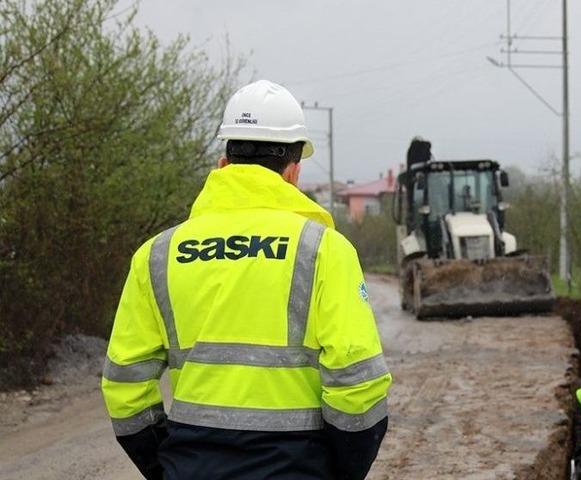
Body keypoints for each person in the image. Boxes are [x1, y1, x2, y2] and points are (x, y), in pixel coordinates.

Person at [101, 79, 392, 480]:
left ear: (224, 164)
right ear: (293, 172)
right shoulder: (325, 250)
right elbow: (359, 386)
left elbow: (124, 384)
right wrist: (339, 470)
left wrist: (166, 466)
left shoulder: (156, 255)